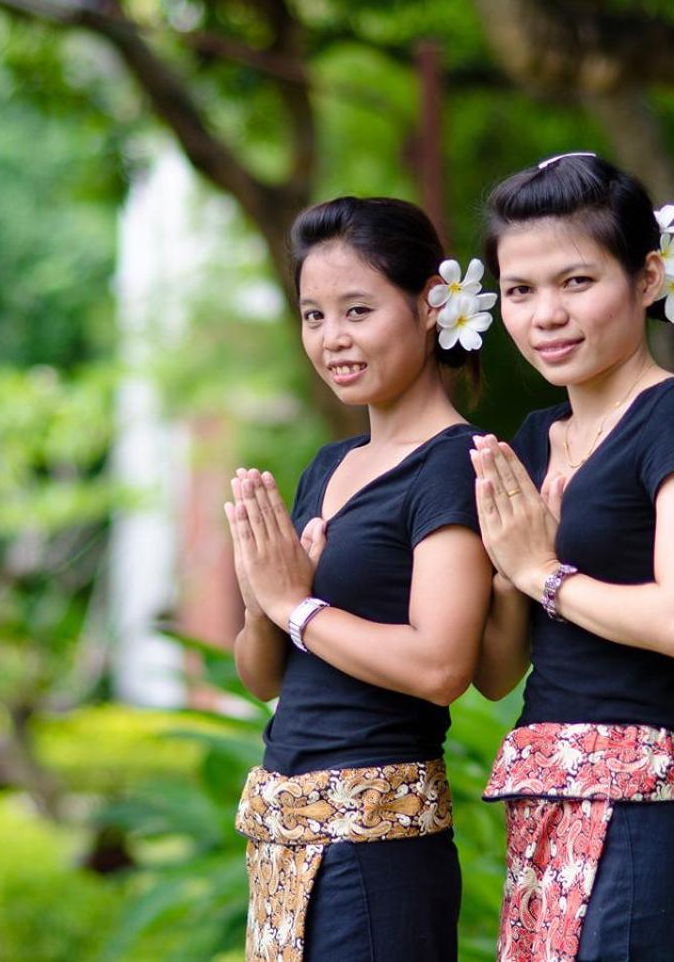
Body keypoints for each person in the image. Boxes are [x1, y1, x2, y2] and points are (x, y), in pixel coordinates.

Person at [467, 152, 674, 960]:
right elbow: (496, 671)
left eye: (576, 282)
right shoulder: (531, 441)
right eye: (520, 290)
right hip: (543, 795)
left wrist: (541, 572)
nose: (545, 314)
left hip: (648, 812)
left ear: (648, 277)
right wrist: (512, 574)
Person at [224, 195, 496, 961]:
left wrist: (295, 603)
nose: (332, 338)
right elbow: (263, 678)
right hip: (285, 837)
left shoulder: (455, 464)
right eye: (314, 316)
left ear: (431, 306)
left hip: (376, 851)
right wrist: (260, 606)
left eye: (357, 310)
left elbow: (443, 667)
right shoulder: (329, 467)